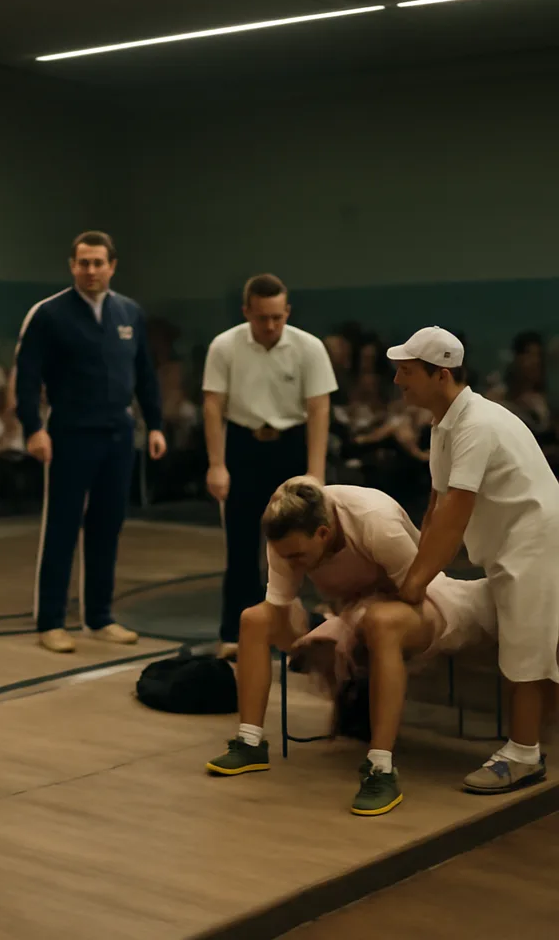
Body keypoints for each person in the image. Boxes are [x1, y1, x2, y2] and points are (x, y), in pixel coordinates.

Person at [206, 476, 496, 815]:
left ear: (324, 533)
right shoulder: (285, 533)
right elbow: (281, 609)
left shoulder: (375, 520)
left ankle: (381, 768)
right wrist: (314, 644)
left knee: (380, 622)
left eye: (298, 556)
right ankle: (250, 741)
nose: (292, 564)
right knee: (254, 619)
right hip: (347, 608)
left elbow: (415, 592)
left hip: (422, 598)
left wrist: (349, 627)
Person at [388, 325, 559, 793]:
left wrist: (415, 585)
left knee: (526, 653)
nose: (398, 380)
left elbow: (455, 516)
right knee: (534, 647)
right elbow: (435, 508)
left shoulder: (478, 425)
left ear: (439, 375)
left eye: (407, 371)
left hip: (535, 543)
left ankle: (524, 756)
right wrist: (413, 571)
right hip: (514, 544)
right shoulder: (446, 425)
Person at [13, 230, 166, 653]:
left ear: (112, 266)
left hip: (118, 434)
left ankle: (99, 617)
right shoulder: (48, 315)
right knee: (62, 527)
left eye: (99, 263)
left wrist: (155, 424)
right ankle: (51, 621)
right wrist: (32, 428)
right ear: (72, 266)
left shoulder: (129, 313)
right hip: (69, 434)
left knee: (107, 526)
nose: (91, 270)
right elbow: (26, 378)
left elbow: (145, 375)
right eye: (83, 263)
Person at [202, 274, 338, 655]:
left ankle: (302, 633)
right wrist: (217, 464)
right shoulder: (224, 346)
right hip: (243, 445)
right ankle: (234, 634)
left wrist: (315, 472)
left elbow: (318, 408)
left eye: (278, 317)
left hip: (291, 445)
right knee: (241, 546)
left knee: (302, 546)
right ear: (247, 311)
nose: (270, 325)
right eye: (262, 317)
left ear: (287, 311)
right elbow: (213, 404)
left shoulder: (308, 347)